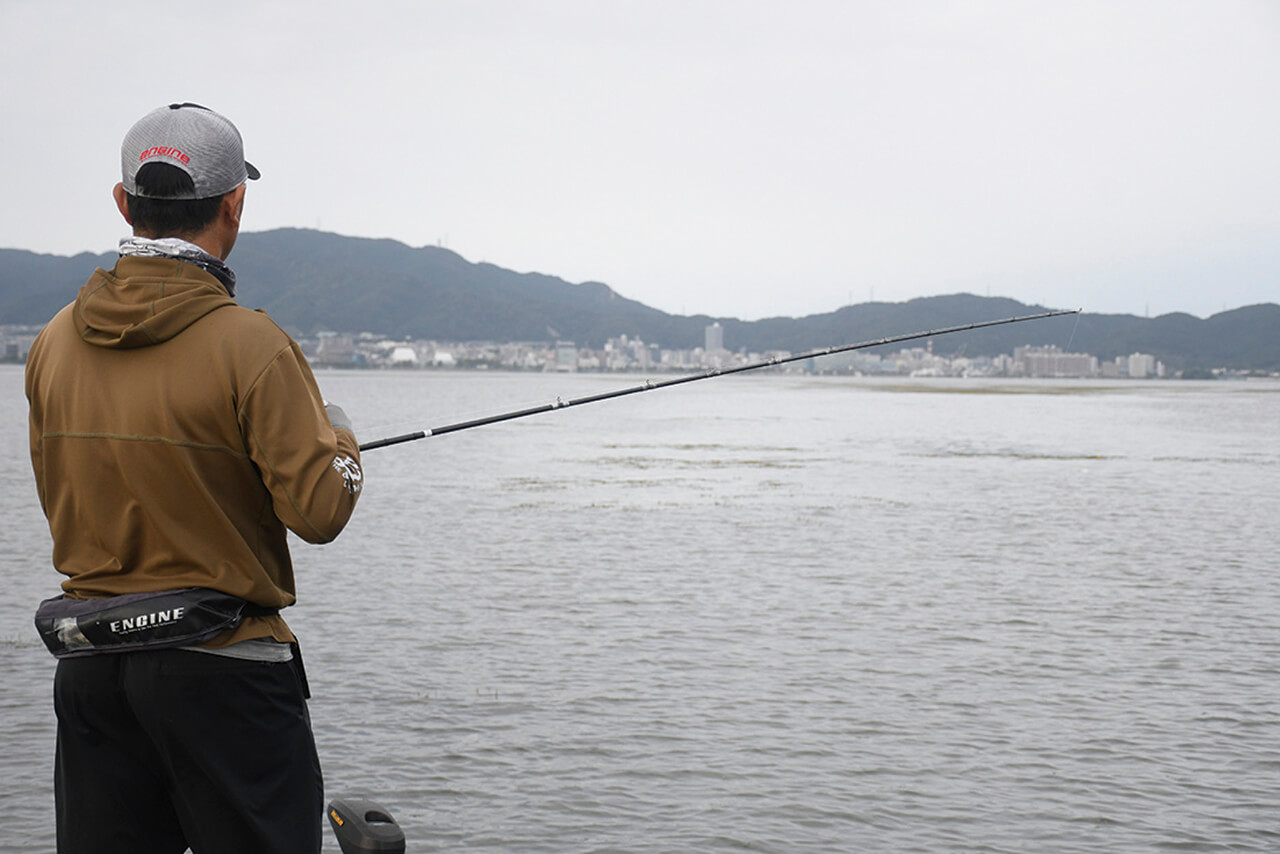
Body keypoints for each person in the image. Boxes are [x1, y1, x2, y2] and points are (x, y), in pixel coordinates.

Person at [25, 103, 363, 853]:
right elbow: (321, 509)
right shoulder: (252, 344)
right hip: (226, 675)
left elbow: (60, 489)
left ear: (124, 202)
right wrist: (339, 435)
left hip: (92, 671)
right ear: (234, 204)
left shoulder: (51, 341)